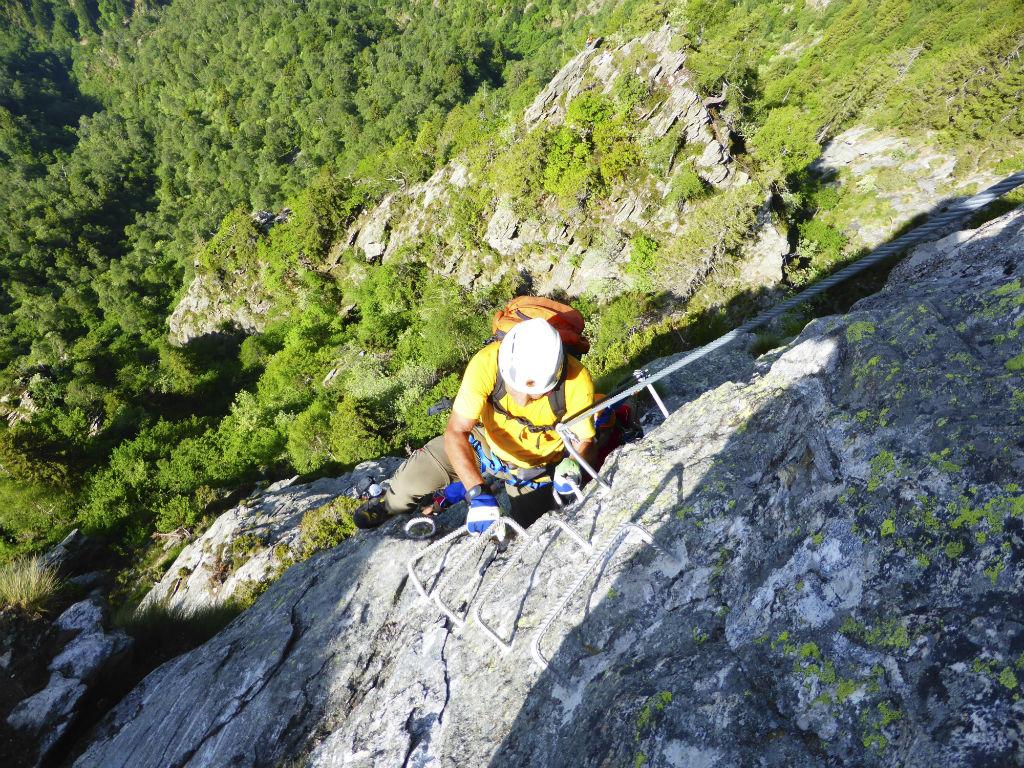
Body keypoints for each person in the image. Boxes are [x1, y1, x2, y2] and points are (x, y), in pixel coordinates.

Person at [353, 317, 597, 534]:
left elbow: (583, 439)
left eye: (534, 395)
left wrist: (572, 464)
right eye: (516, 390)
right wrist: (477, 493)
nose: (522, 400)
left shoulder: (576, 383)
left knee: (532, 530)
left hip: (533, 466)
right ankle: (388, 505)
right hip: (484, 441)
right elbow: (456, 431)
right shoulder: (488, 362)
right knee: (407, 484)